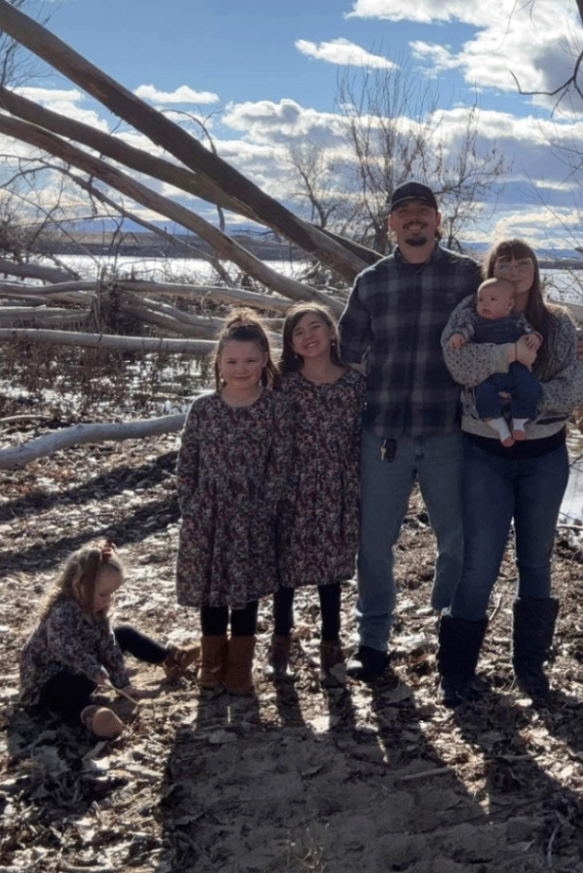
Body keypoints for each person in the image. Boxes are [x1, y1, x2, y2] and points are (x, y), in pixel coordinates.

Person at [336, 182, 482, 682]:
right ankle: (373, 641)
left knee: (457, 541)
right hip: (384, 436)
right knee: (373, 545)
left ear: (438, 221)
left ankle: (449, 630)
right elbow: (345, 355)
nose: (415, 220)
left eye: (424, 212)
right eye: (405, 214)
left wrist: (562, 343)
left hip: (450, 432)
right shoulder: (371, 282)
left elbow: (507, 323)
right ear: (391, 225)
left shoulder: (468, 276)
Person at [438, 238, 583, 705]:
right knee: (480, 561)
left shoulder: (558, 323)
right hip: (483, 454)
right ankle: (457, 672)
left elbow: (574, 386)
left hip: (544, 455)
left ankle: (530, 668)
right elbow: (458, 365)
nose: (516, 268)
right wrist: (508, 358)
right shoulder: (469, 312)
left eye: (525, 261)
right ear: (493, 269)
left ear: (536, 269)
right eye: (506, 261)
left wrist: (527, 397)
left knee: (536, 559)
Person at [176, 315, 283, 697]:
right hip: (208, 513)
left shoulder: (274, 407)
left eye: (250, 361)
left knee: (245, 592)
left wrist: (266, 506)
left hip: (251, 515)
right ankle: (211, 664)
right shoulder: (204, 408)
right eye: (233, 361)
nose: (241, 369)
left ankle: (239, 669)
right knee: (212, 592)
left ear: (265, 361)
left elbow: (280, 462)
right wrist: (190, 503)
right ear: (219, 363)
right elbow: (187, 461)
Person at [269, 301, 364, 681]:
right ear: (291, 344)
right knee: (285, 571)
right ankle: (280, 642)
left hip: (338, 486)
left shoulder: (355, 383)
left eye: (315, 328)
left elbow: (362, 438)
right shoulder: (283, 384)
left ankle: (331, 645)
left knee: (331, 570)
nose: (309, 337)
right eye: (299, 332)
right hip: (292, 486)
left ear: (331, 332)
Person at [19, 540, 197, 739]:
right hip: (48, 679)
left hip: (86, 670)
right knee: (63, 691)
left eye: (112, 594)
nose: (107, 600)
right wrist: (93, 667)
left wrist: (122, 684)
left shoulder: (97, 609)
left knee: (124, 634)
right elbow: (64, 647)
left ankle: (166, 658)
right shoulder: (62, 611)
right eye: (103, 594)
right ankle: (91, 715)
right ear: (78, 584)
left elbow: (108, 644)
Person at [446, 276, 541, 445]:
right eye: (481, 299)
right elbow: (465, 329)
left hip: (516, 370)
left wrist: (534, 337)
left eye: (492, 299)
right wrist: (458, 335)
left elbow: (530, 332)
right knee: (483, 394)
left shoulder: (517, 320)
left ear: (509, 305)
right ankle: (500, 427)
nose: (485, 304)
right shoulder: (474, 321)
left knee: (529, 388)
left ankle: (519, 422)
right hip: (488, 373)